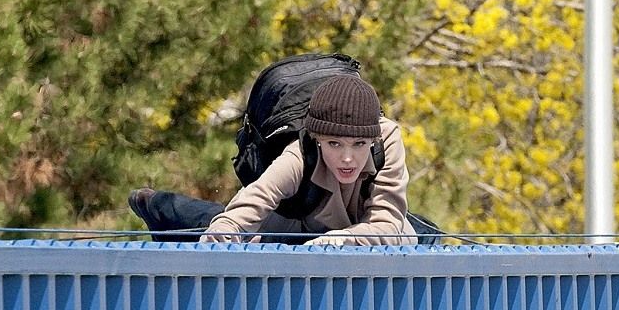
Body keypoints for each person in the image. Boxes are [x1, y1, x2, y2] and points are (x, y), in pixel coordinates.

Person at [128, 75, 422, 245]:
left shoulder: (387, 140)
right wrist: (222, 234)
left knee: (418, 236)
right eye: (334, 144)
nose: (348, 158)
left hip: (362, 228)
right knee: (229, 227)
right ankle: (158, 206)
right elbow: (254, 200)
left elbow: (386, 225)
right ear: (317, 139)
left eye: (359, 145)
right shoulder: (300, 153)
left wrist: (341, 240)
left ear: (373, 139)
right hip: (302, 227)